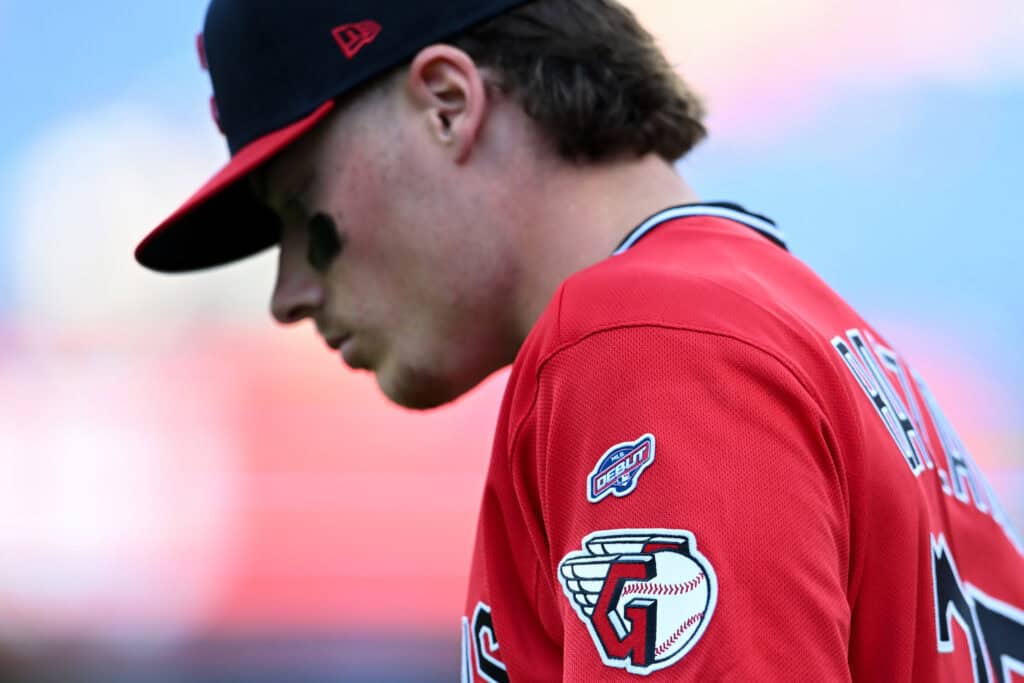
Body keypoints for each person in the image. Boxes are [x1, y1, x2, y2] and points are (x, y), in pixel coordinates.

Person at [136, 0, 1024, 679]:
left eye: (301, 210)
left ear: (447, 103)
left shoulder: (651, 337)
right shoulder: (782, 322)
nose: (290, 292)